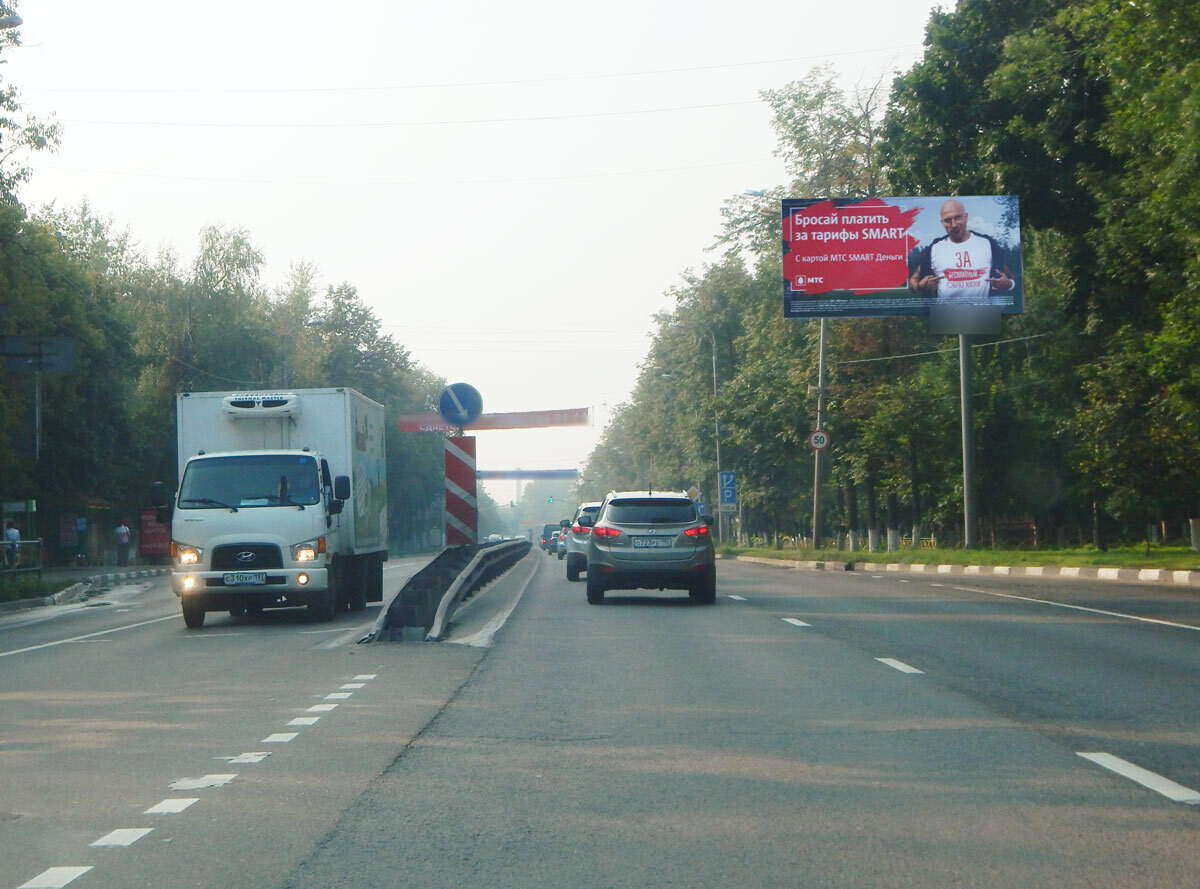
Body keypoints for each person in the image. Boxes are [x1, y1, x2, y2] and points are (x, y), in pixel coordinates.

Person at [908, 199, 1018, 302]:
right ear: (942, 223)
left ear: (966, 217)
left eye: (958, 217)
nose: (954, 224)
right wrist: (920, 286)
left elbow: (1012, 277)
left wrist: (1009, 284)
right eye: (948, 220)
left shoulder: (987, 244)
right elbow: (913, 283)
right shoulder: (934, 249)